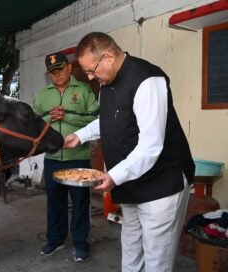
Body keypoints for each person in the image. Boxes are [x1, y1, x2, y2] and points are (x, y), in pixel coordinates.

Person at [64, 32, 195, 271]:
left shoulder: (147, 80)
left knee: (157, 257)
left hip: (161, 183)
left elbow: (151, 145)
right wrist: (80, 135)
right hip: (131, 182)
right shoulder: (107, 84)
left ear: (109, 57)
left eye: (92, 71)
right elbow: (108, 120)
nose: (91, 78)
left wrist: (114, 176)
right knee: (131, 244)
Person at [32, 51, 99, 262]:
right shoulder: (44, 95)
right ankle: (56, 239)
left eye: (60, 69)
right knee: (54, 202)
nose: (56, 74)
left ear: (69, 68)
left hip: (78, 156)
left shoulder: (84, 89)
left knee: (80, 203)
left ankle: (81, 243)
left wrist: (67, 115)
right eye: (52, 72)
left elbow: (95, 118)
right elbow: (33, 121)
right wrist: (47, 117)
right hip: (52, 157)